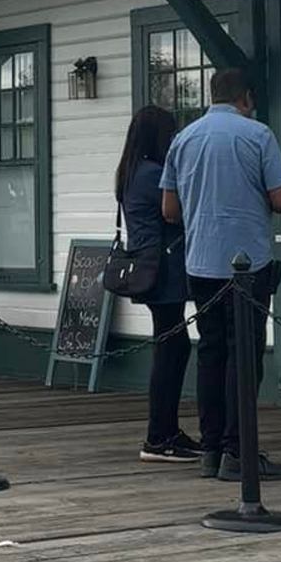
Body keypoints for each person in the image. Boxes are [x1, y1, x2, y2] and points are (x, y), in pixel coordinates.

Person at [161, 66, 281, 483]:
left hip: (200, 260)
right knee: (245, 356)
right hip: (247, 265)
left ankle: (212, 447)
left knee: (211, 354)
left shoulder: (184, 138)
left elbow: (169, 209)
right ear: (247, 98)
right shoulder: (258, 135)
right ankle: (240, 450)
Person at [114, 103, 198, 463]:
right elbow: (178, 211)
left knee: (171, 345)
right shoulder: (152, 175)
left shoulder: (130, 172)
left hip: (149, 267)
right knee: (171, 349)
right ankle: (160, 434)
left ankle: (165, 430)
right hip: (164, 271)